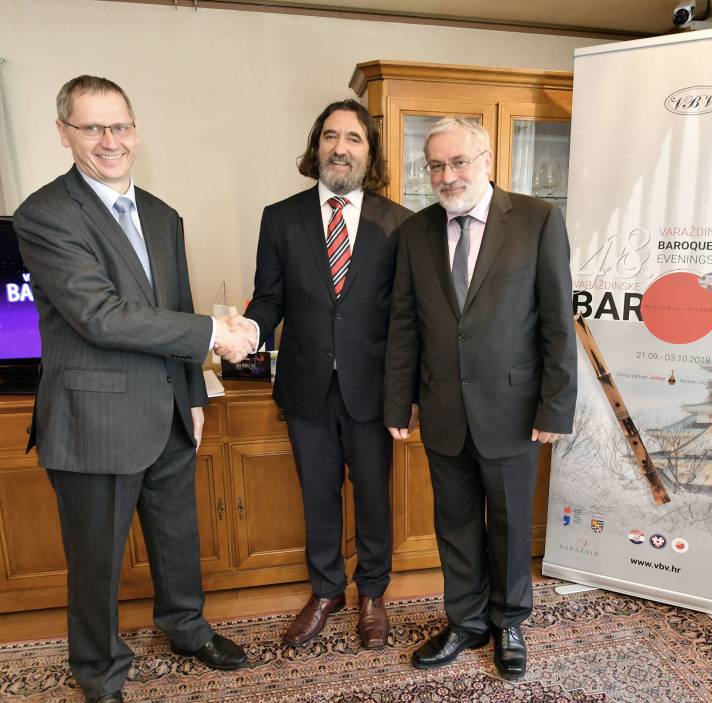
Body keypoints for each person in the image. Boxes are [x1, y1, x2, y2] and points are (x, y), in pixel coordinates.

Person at [13, 75, 251, 703]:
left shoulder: (163, 215)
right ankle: (98, 671)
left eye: (118, 125)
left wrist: (196, 397)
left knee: (179, 538)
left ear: (136, 131)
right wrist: (215, 332)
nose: (108, 140)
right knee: (97, 561)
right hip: (94, 420)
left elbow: (171, 309)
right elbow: (101, 315)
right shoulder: (46, 214)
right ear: (64, 133)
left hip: (169, 410)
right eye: (91, 127)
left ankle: (186, 626)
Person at [383, 117, 577, 680]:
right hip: (443, 409)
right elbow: (404, 325)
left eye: (458, 162)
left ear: (487, 160)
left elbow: (556, 321)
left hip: (515, 412)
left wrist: (555, 404)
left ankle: (510, 621)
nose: (447, 176)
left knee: (512, 526)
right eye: (437, 166)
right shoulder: (415, 232)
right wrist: (399, 403)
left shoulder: (538, 220)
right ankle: (466, 620)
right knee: (457, 524)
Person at [229, 100, 411, 649]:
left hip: (372, 390)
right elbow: (268, 300)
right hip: (306, 387)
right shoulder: (279, 217)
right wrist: (248, 333)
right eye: (331, 136)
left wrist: (406, 392)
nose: (340, 147)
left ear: (369, 152)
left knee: (374, 496)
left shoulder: (399, 223)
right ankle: (327, 590)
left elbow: (405, 318)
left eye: (354, 138)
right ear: (317, 147)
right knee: (318, 494)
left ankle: (373, 594)